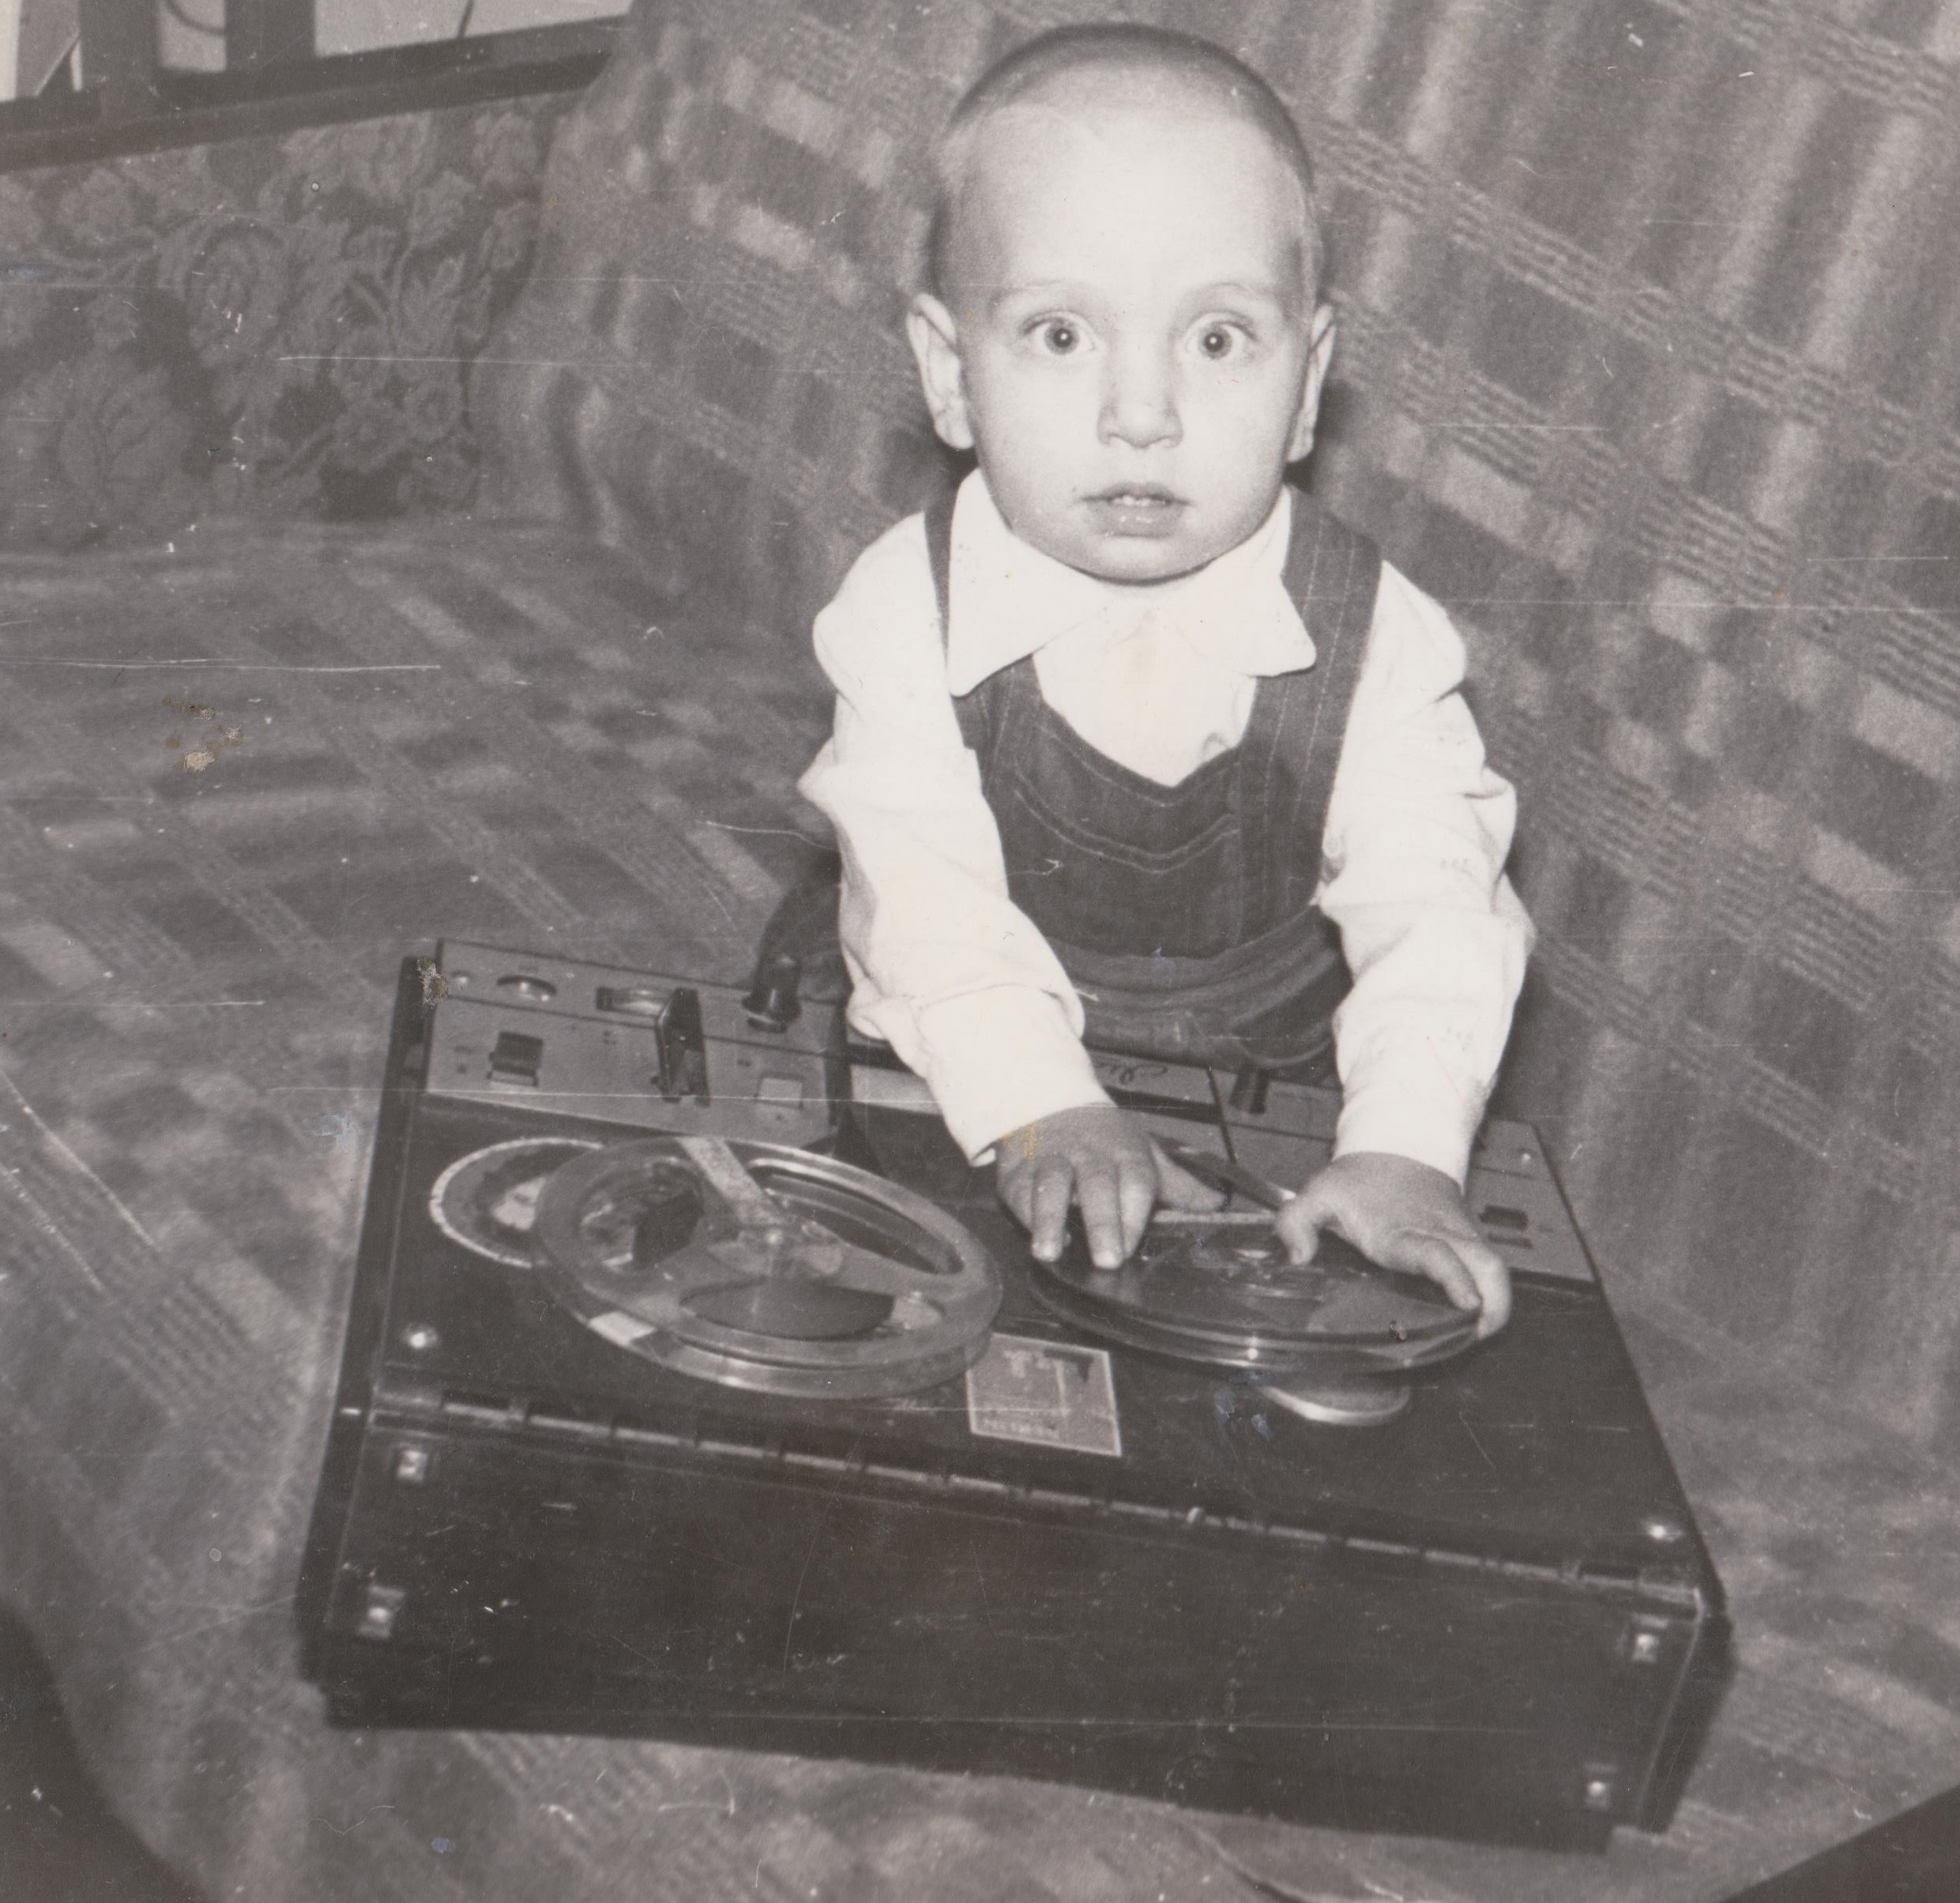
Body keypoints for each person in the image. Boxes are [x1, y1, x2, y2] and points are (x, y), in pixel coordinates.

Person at [797, 23, 1533, 1336]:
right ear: (949, 376)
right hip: (963, 1059)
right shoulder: (901, 608)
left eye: (1217, 340)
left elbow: (1439, 911)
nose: (1141, 414)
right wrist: (1038, 1104)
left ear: (1307, 386)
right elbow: (923, 905)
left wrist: (1405, 1147)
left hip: (1270, 1108)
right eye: (1060, 333)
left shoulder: (1375, 634)